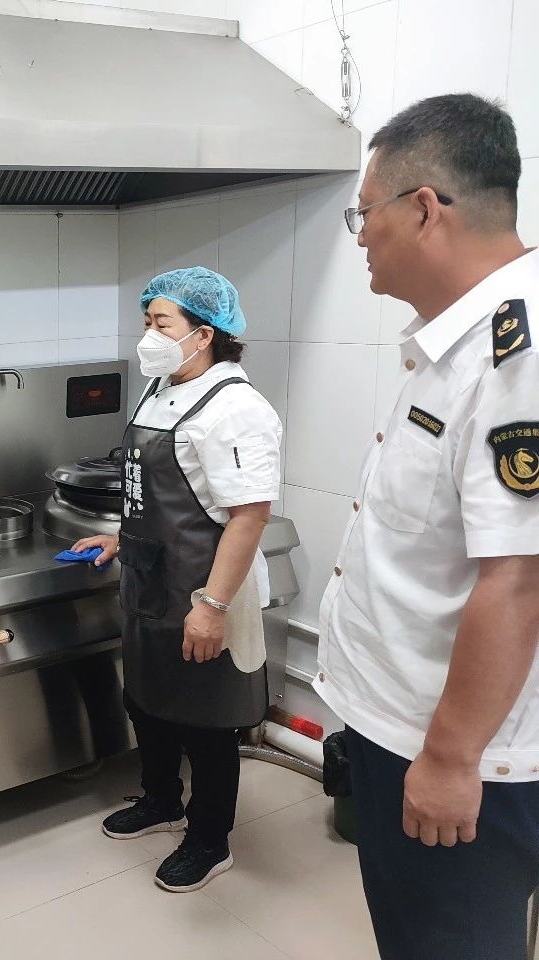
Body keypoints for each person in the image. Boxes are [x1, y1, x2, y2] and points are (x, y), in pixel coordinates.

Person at [316, 93, 539, 960]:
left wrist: (449, 759)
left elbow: (519, 578)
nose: (360, 237)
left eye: (364, 212)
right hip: (409, 728)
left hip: (453, 749)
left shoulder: (515, 355)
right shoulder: (460, 341)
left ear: (422, 209)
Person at [73, 266, 283, 893]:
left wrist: (212, 606)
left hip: (203, 588)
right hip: (149, 580)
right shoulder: (161, 388)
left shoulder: (235, 408)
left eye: (161, 323)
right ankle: (161, 800)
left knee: (206, 720)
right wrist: (120, 539)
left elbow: (249, 516)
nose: (149, 335)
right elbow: (157, 494)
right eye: (147, 321)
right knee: (149, 701)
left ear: (205, 333)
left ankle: (209, 839)